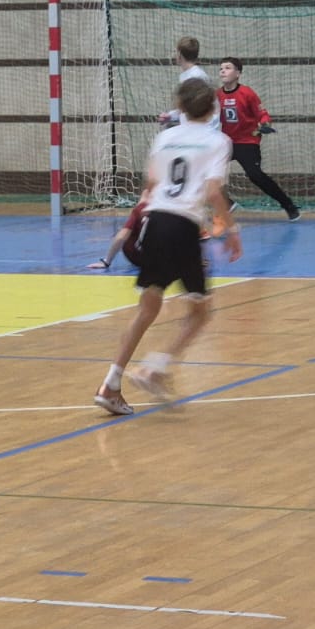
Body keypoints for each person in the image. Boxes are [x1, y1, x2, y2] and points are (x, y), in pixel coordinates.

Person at [95, 77, 241, 416]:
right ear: (213, 108)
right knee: (200, 312)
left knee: (147, 309)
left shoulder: (165, 137)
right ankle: (155, 368)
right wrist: (232, 230)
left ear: (179, 106)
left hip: (155, 222)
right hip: (183, 226)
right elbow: (214, 191)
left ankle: (110, 384)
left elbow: (151, 184)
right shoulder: (218, 141)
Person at [216, 56, 301, 221]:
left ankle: (288, 205)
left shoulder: (247, 93)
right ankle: (226, 203)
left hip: (247, 142)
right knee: (203, 170)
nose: (223, 71)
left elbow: (262, 114)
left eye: (227, 68)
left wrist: (264, 124)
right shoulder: (217, 95)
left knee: (255, 175)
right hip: (226, 142)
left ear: (238, 73)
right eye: (221, 68)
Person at [158, 35, 210, 127]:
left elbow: (199, 108)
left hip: (197, 128)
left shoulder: (196, 76)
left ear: (179, 55)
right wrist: (170, 116)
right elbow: (187, 107)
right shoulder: (185, 75)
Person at [85, 195, 148, 271]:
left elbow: (121, 237)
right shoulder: (148, 207)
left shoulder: (141, 208)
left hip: (138, 256)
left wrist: (107, 262)